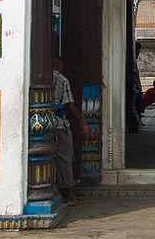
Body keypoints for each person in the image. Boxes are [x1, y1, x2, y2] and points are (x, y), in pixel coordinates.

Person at [52, 56, 84, 204]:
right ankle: (70, 194)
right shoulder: (62, 80)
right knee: (65, 158)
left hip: (45, 124)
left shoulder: (39, 77)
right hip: (59, 124)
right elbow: (70, 105)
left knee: (55, 159)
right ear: (58, 66)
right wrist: (82, 122)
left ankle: (60, 190)